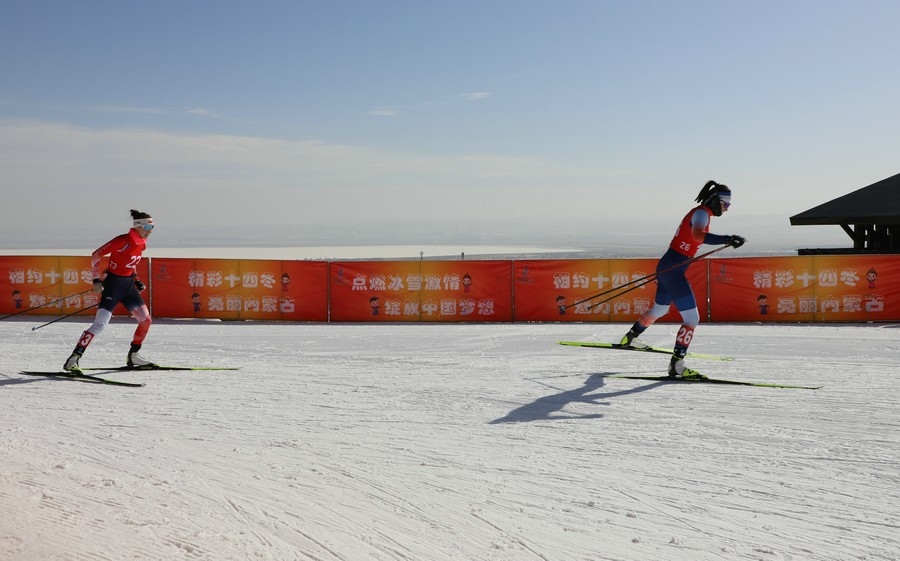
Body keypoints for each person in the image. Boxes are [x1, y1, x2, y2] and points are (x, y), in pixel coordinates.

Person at [619, 181, 745, 377]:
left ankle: (630, 337)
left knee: (660, 309)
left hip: (668, 265)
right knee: (692, 319)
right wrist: (727, 239)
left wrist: (726, 239)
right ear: (715, 200)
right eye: (725, 203)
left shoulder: (702, 213)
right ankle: (677, 365)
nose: (726, 208)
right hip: (674, 271)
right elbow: (698, 235)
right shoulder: (702, 213)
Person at [64, 210, 156, 371]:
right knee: (100, 325)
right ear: (138, 226)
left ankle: (133, 356)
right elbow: (96, 254)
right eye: (148, 227)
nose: (151, 231)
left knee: (146, 320)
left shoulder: (141, 243)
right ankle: (73, 359)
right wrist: (96, 279)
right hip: (113, 286)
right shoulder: (122, 240)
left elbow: (130, 263)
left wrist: (136, 280)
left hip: (128, 286)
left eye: (152, 227)